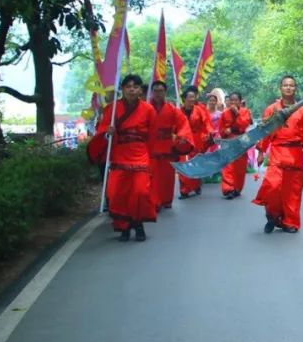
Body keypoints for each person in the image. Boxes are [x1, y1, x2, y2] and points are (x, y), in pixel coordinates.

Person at [87, 74, 158, 241]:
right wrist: (107, 133)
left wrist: (150, 156)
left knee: (140, 192)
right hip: (120, 154)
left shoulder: (148, 109)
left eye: (135, 86)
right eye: (128, 86)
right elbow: (102, 131)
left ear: (140, 90)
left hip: (140, 154)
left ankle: (138, 223)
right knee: (117, 193)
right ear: (123, 89)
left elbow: (153, 135)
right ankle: (124, 226)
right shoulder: (112, 109)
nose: (132, 90)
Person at [253, 76, 303, 233]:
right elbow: (265, 131)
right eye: (285, 85)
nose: (288, 88)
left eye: (291, 85)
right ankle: (272, 216)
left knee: (292, 191)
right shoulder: (271, 109)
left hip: (295, 154)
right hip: (277, 153)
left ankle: (290, 222)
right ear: (280, 88)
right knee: (272, 186)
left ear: (295, 88)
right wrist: (262, 151)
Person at [147, 80, 193, 211]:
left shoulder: (172, 109)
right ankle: (154, 201)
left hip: (167, 148)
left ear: (165, 92)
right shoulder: (145, 108)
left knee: (167, 177)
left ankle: (166, 199)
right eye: (155, 91)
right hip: (151, 148)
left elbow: (183, 124)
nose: (158, 94)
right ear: (152, 92)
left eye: (160, 91)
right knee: (153, 178)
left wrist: (183, 137)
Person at [177, 86, 212, 198]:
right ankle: (184, 189)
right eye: (190, 97)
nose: (192, 99)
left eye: (194, 97)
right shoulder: (178, 111)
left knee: (195, 163)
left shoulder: (199, 110)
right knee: (183, 164)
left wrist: (209, 134)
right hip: (183, 140)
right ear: (184, 99)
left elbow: (207, 123)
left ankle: (196, 185)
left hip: (197, 140)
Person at [219, 91, 253, 198]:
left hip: (241, 140)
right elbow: (221, 130)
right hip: (229, 141)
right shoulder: (224, 113)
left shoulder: (245, 111)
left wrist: (237, 114)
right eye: (232, 100)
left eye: (236, 100)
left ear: (240, 101)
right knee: (228, 165)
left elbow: (245, 124)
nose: (233, 102)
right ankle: (228, 188)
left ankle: (237, 188)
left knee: (240, 166)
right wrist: (225, 131)